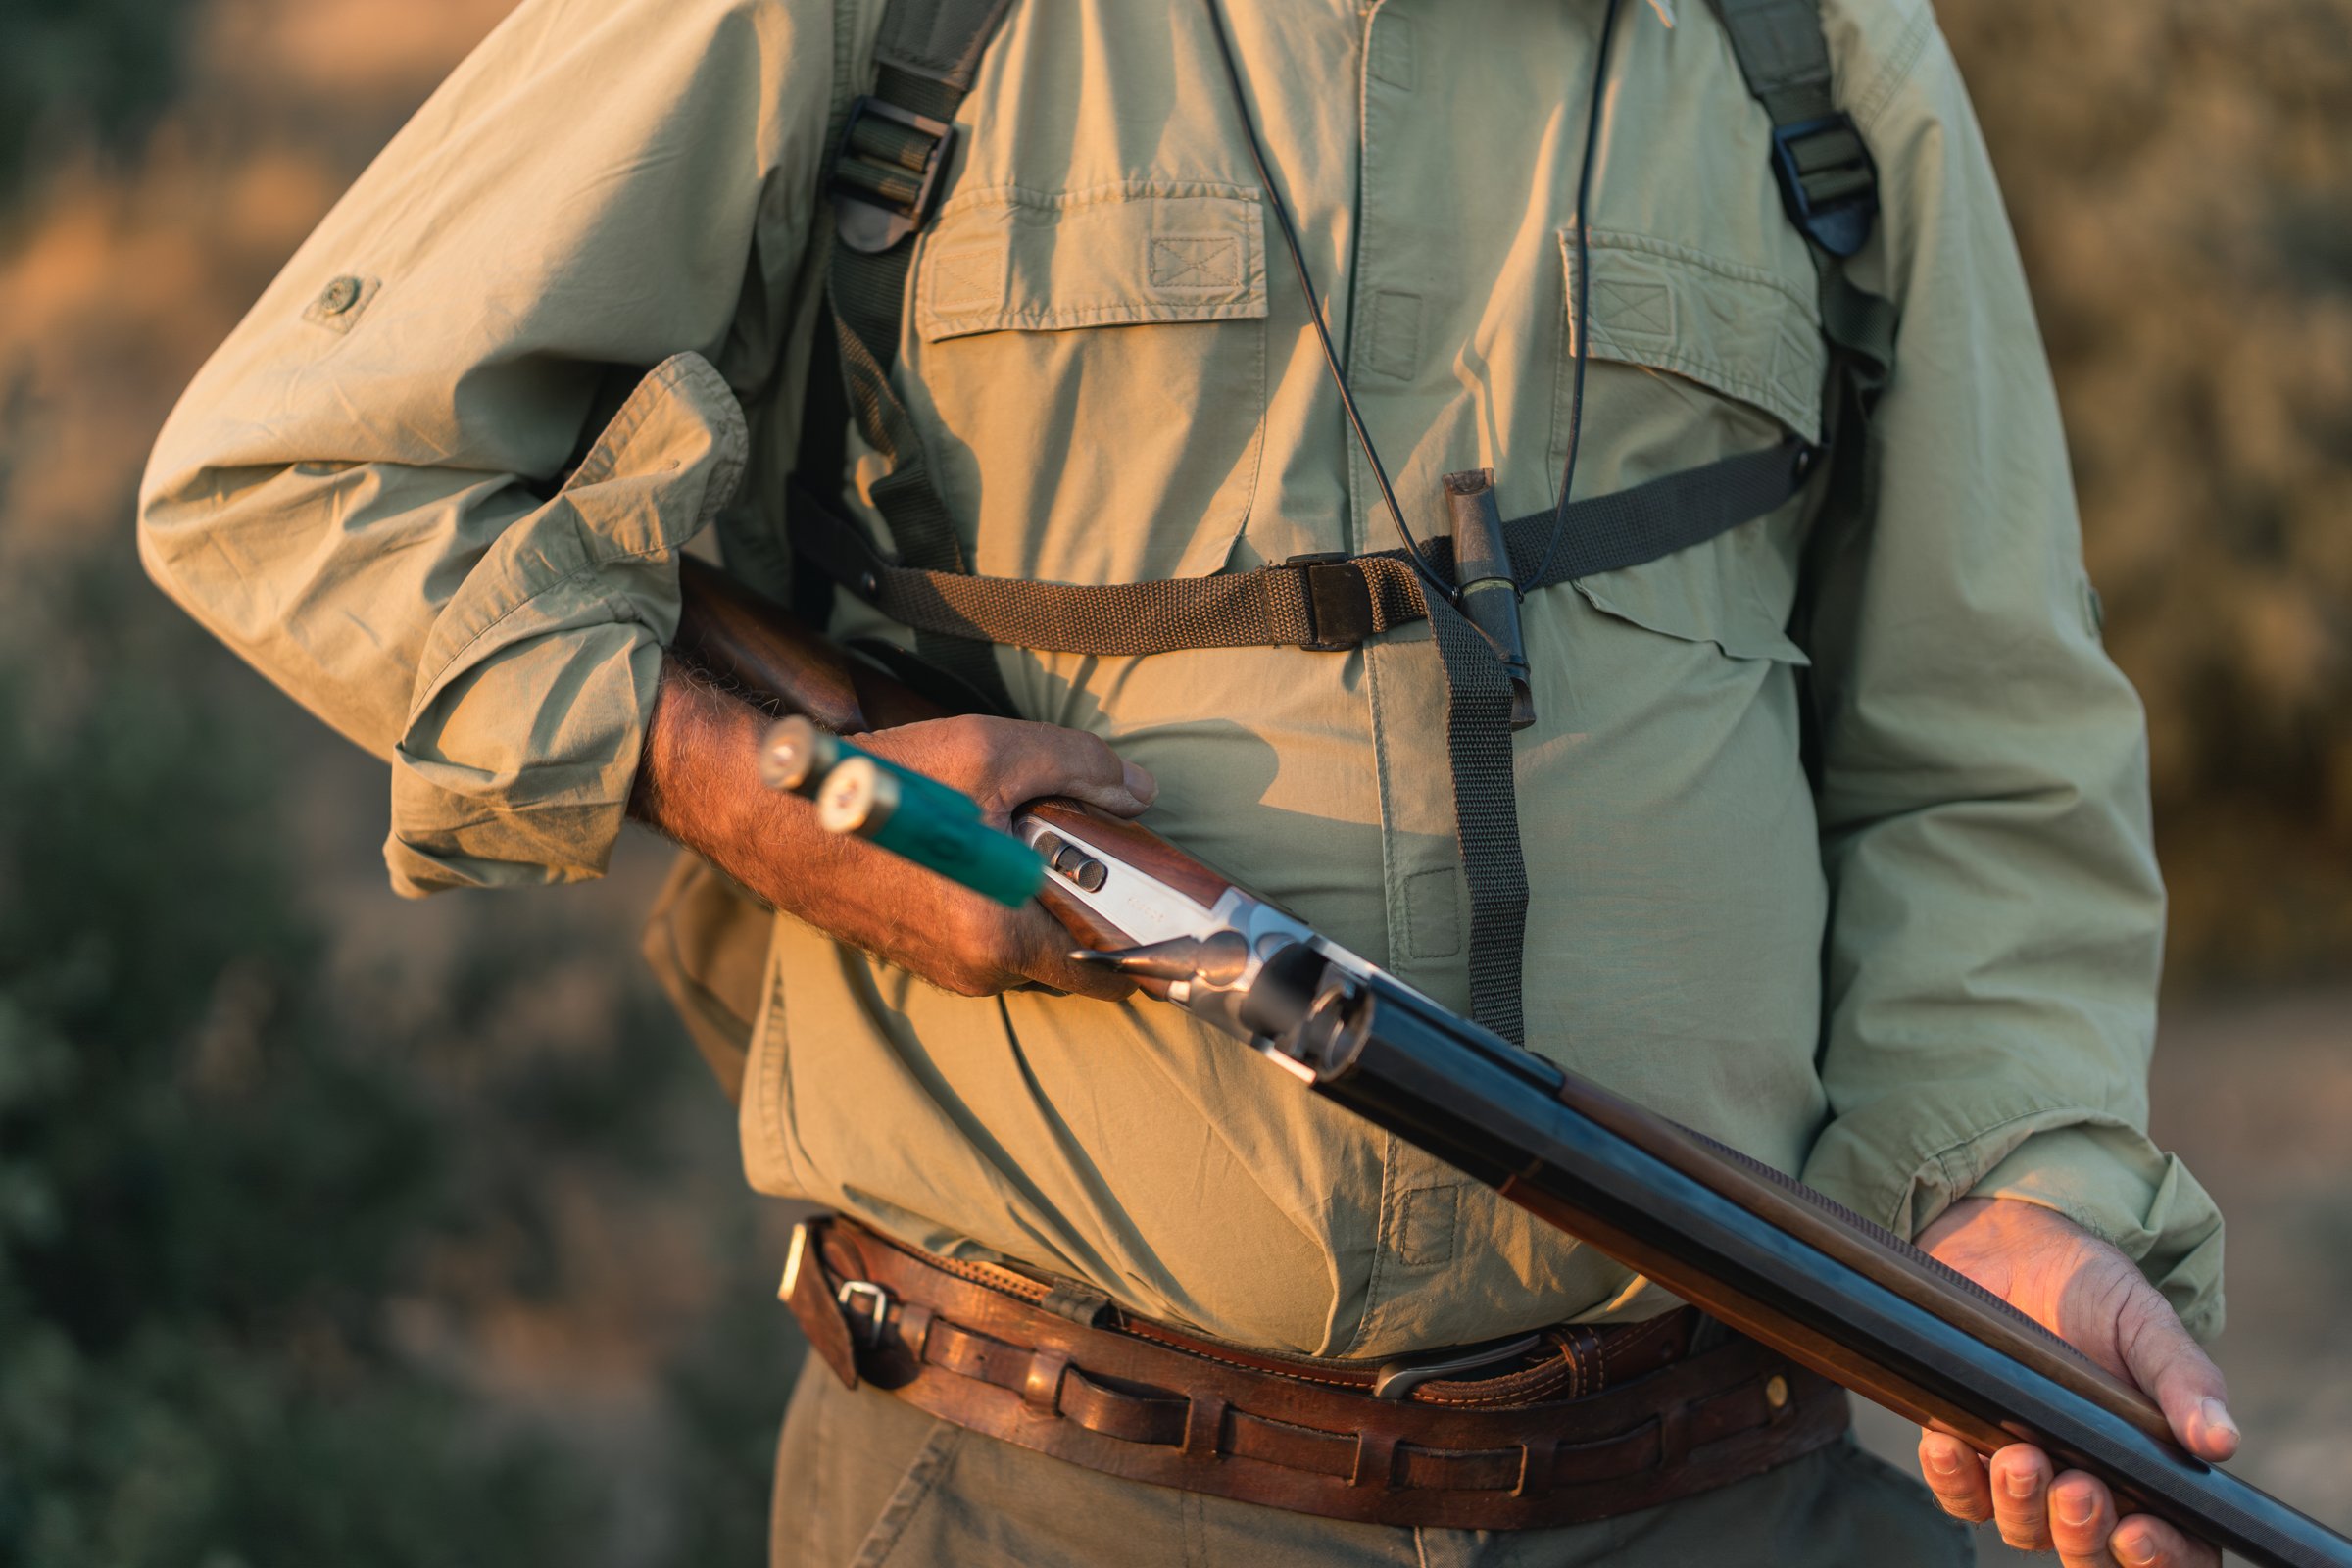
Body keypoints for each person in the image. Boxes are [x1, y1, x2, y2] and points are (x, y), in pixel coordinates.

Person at [139, 0, 2233, 1562]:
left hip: (1717, 1484)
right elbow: (296, 474)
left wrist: (2017, 1191)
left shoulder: (1811, 45)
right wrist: (752, 782)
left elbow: (1984, 730)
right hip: (1042, 1484)